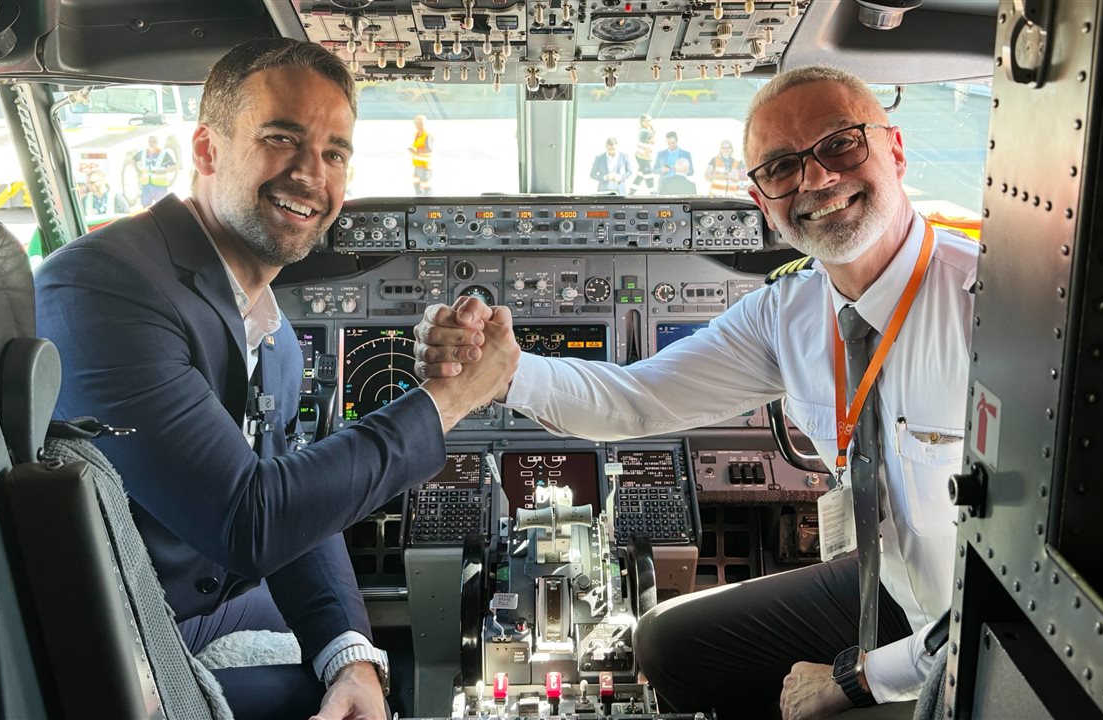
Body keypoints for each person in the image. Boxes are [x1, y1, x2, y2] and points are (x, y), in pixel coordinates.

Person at [413, 64, 978, 720]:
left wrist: (855, 678)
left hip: (969, 624)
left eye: (840, 144)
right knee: (669, 642)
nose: (817, 179)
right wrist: (506, 372)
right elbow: (635, 399)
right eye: (782, 166)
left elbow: (1010, 591)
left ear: (897, 149)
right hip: (894, 582)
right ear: (761, 199)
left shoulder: (990, 310)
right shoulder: (788, 313)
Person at [36, 37, 518, 720]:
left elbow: (294, 502)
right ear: (206, 150)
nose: (309, 175)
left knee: (370, 674)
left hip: (196, 604)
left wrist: (350, 654)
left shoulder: (273, 333)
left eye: (334, 154)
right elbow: (250, 521)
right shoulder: (102, 288)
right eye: (281, 139)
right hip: (110, 640)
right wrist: (449, 399)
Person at [134, 134, 178, 208]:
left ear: (157, 142)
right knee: (145, 209)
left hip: (160, 187)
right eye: (150, 141)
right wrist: (138, 170)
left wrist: (163, 171)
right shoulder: (143, 153)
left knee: (161, 208)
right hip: (146, 186)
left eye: (154, 141)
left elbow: (174, 166)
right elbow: (133, 161)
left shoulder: (163, 154)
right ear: (148, 142)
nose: (152, 143)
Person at [652, 131, 693, 195]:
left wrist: (681, 169)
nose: (671, 145)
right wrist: (661, 170)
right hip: (664, 187)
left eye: (673, 143)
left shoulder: (686, 154)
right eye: (669, 143)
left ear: (677, 140)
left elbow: (691, 171)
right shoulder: (661, 154)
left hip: (680, 187)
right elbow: (654, 170)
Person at [631, 114, 657, 194]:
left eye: (650, 120)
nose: (650, 122)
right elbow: (652, 141)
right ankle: (653, 193)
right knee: (648, 174)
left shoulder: (644, 130)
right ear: (643, 122)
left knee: (640, 175)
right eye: (647, 120)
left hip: (642, 156)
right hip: (643, 157)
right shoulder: (645, 132)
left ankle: (631, 192)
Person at [409, 114, 433, 196]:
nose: (416, 125)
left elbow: (429, 149)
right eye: (415, 123)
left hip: (425, 167)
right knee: (416, 184)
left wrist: (416, 150)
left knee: (425, 186)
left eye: (418, 123)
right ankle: (419, 200)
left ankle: (428, 203)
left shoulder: (427, 135)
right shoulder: (417, 134)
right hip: (417, 165)